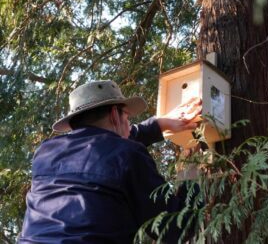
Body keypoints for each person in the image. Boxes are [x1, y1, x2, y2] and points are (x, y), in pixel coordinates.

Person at [18, 80, 203, 243]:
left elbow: (104, 146)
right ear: (115, 114)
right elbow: (176, 227)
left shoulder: (45, 152)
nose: (130, 124)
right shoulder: (128, 154)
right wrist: (193, 170)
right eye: (127, 116)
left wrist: (159, 124)